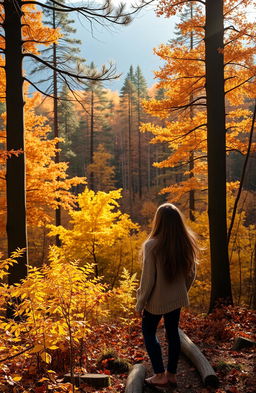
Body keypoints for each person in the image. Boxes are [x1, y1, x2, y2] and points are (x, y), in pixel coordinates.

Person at [135, 203, 198, 388]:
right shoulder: (185, 243)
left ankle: (159, 374)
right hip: (175, 300)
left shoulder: (151, 245)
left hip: (155, 301)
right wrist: (181, 291)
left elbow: (147, 280)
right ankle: (171, 374)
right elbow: (191, 273)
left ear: (158, 221)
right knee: (172, 333)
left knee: (148, 332)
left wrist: (140, 303)